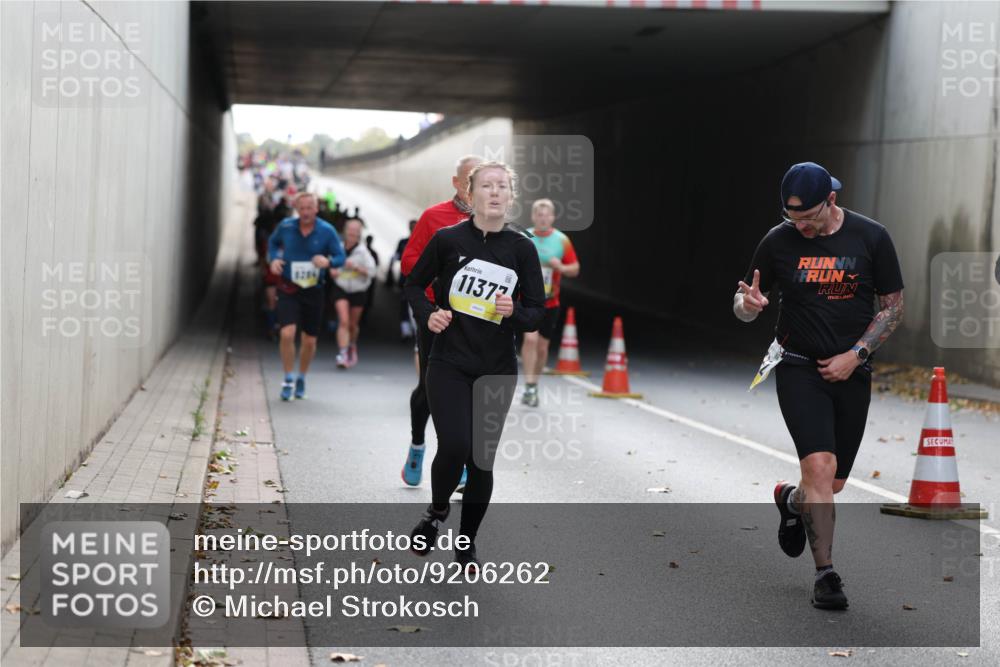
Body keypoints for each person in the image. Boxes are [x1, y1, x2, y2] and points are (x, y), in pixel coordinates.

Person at [734, 162, 904, 610]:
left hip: (853, 371)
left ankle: (790, 501)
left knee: (833, 483)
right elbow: (743, 302)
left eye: (808, 217)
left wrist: (857, 355)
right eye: (793, 219)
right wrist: (747, 306)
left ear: (830, 200)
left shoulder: (871, 237)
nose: (801, 227)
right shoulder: (778, 240)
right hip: (797, 367)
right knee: (820, 470)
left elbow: (892, 308)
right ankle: (826, 575)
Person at [404, 161, 545, 571]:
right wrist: (429, 312)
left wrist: (513, 311)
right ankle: (435, 513)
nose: (495, 192)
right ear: (471, 193)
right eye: (487, 185)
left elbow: (537, 312)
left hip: (496, 368)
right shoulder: (448, 240)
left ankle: (466, 545)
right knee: (455, 445)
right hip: (448, 361)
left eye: (503, 186)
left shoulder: (522, 248)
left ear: (511, 196)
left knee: (482, 459)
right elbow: (413, 284)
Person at [399, 155, 482, 487]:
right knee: (431, 390)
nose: (475, 188)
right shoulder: (435, 217)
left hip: (476, 321)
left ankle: (458, 458)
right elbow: (409, 263)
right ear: (456, 182)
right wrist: (439, 286)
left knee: (473, 390)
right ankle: (418, 443)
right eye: (468, 180)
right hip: (437, 317)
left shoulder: (493, 223)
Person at [268, 192, 346, 401]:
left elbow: (340, 256)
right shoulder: (286, 227)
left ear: (316, 208)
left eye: (309, 208)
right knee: (287, 333)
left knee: (309, 341)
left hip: (313, 289)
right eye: (301, 208)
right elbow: (273, 244)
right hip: (288, 287)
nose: (305, 212)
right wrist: (274, 259)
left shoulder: (326, 231)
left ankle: (301, 376)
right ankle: (287, 378)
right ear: (296, 208)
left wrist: (327, 262)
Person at [519, 199, 580, 407]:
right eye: (539, 215)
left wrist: (560, 268)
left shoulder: (562, 240)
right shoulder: (524, 236)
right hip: (527, 300)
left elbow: (575, 268)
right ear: (534, 217)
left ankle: (534, 384)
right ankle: (528, 385)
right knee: (530, 341)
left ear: (552, 218)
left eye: (547, 215)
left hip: (550, 302)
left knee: (543, 349)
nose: (543, 218)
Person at [330, 219, 376, 368]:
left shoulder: (363, 252)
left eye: (356, 231)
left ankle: (351, 344)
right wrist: (333, 271)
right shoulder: (337, 248)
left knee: (352, 324)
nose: (352, 233)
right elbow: (330, 264)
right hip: (341, 287)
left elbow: (372, 272)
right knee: (343, 320)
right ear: (345, 231)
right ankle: (342, 354)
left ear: (359, 233)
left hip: (358, 290)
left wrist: (356, 267)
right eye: (350, 230)